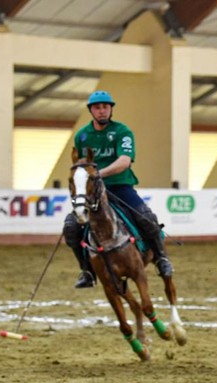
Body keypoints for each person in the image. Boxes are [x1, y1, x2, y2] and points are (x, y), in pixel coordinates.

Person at [63, 90, 174, 288]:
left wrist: (98, 175)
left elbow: (124, 162)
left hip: (120, 186)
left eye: (105, 107)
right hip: (93, 192)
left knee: (147, 217)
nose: (102, 111)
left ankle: (161, 258)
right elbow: (80, 164)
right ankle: (87, 271)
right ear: (91, 111)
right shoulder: (82, 136)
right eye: (97, 108)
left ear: (111, 109)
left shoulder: (123, 132)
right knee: (71, 227)